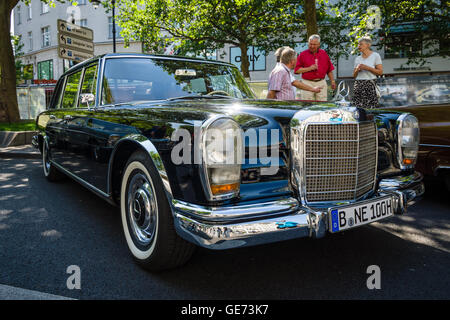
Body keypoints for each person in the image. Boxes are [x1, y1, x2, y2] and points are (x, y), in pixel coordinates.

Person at [294, 34, 336, 101]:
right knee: (307, 104)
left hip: (321, 82)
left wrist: (332, 81)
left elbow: (329, 69)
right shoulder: (302, 54)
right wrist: (309, 68)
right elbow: (297, 70)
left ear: (319, 44)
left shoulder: (324, 53)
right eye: (310, 44)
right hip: (307, 83)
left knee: (322, 104)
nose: (312, 46)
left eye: (314, 44)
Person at [352, 36, 383, 108]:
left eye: (361, 44)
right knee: (358, 108)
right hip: (358, 85)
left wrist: (367, 68)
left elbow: (380, 72)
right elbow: (354, 76)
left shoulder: (375, 55)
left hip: (370, 84)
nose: (358, 46)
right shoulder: (357, 58)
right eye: (358, 44)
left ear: (368, 45)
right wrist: (357, 69)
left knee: (371, 109)